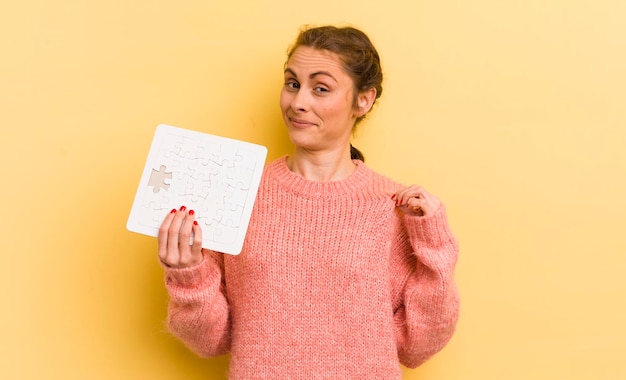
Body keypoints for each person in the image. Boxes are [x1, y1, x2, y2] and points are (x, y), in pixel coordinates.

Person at [157, 25, 459, 379]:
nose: (298, 102)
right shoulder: (238, 192)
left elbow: (418, 345)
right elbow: (211, 341)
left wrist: (435, 244)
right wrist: (188, 274)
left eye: (321, 88)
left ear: (363, 100)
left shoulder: (392, 207)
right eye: (292, 83)